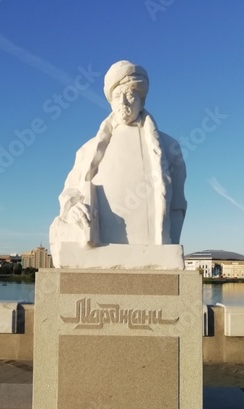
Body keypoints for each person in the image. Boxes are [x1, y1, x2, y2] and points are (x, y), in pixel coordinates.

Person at [49, 60, 187, 265]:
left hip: (153, 253)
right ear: (110, 101)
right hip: (96, 249)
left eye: (130, 95)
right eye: (117, 96)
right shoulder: (88, 150)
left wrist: (167, 246)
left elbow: (177, 206)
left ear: (142, 100)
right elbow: (70, 192)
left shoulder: (168, 147)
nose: (123, 102)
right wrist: (73, 207)